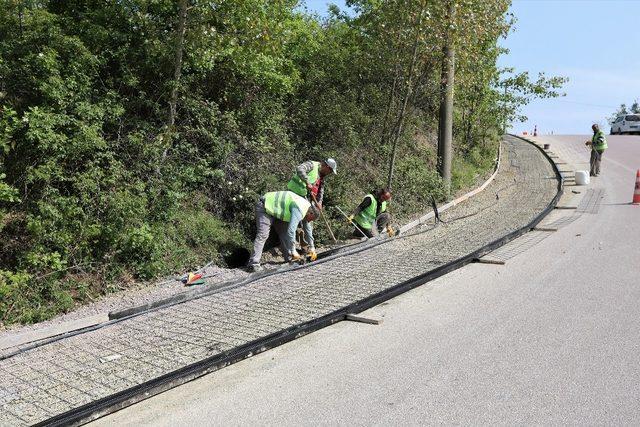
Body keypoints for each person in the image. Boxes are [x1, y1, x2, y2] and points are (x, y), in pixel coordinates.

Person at [247, 191, 320, 272]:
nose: (310, 221)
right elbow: (291, 231)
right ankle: (253, 264)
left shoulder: (307, 209)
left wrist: (312, 248)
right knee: (263, 235)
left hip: (278, 211)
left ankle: (290, 258)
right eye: (311, 219)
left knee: (284, 233)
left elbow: (308, 229)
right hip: (265, 206)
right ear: (310, 213)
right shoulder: (299, 209)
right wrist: (293, 250)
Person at [286, 158, 337, 259]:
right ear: (327, 167)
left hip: (305, 198)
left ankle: (311, 248)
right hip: (293, 195)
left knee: (308, 222)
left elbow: (320, 190)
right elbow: (300, 169)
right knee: (294, 223)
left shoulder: (322, 176)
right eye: (330, 171)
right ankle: (292, 250)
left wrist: (319, 202)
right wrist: (307, 181)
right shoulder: (312, 165)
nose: (330, 173)